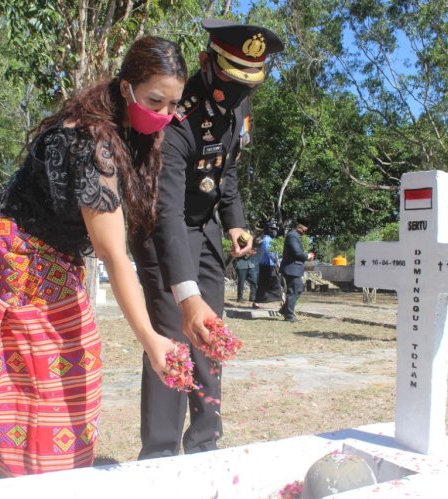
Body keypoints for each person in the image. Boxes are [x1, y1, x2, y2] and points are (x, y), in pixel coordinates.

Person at [0, 36, 189, 477]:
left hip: (57, 252)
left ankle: (50, 467)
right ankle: (35, 473)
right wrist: (151, 339)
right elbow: (113, 254)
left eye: (172, 105)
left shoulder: (125, 137)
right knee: (42, 368)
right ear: (127, 88)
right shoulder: (89, 144)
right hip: (20, 250)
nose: (162, 116)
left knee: (74, 358)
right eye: (154, 100)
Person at [129, 19, 284, 460]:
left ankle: (204, 447)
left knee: (210, 338)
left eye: (248, 81)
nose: (240, 90)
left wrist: (234, 221)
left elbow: (225, 169)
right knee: (174, 340)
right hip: (164, 236)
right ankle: (159, 457)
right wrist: (185, 295)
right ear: (206, 63)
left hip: (206, 231)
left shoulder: (237, 103)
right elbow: (167, 213)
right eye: (232, 78)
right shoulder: (178, 118)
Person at [280, 217, 314, 322]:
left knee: (297, 290)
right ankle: (289, 315)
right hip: (292, 268)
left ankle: (285, 310)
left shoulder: (294, 236)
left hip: (294, 268)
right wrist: (308, 256)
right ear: (299, 226)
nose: (305, 231)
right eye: (304, 229)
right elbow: (297, 253)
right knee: (294, 291)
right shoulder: (292, 236)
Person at [253, 219, 284, 308]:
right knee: (271, 283)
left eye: (275, 229)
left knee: (270, 284)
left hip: (271, 266)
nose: (274, 231)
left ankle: (280, 300)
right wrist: (276, 261)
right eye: (272, 229)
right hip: (266, 266)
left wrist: (279, 260)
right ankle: (281, 301)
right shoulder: (266, 239)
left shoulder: (273, 240)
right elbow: (269, 252)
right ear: (268, 229)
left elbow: (277, 252)